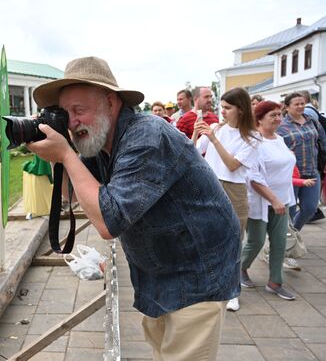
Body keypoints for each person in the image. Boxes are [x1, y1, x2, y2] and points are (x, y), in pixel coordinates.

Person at [28, 56, 240, 361]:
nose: (72, 122)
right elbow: (74, 195)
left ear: (111, 103)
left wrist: (65, 155)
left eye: (80, 110)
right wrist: (58, 159)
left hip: (197, 270)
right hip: (159, 266)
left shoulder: (147, 136)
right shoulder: (101, 141)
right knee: (162, 350)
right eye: (65, 113)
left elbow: (107, 222)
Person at [193, 87, 260, 311]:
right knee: (206, 238)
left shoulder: (252, 136)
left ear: (241, 110)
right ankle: (208, 285)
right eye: (221, 107)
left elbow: (232, 166)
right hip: (210, 185)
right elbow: (193, 151)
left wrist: (213, 140)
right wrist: (196, 133)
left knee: (233, 240)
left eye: (227, 108)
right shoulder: (215, 128)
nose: (222, 112)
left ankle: (232, 291)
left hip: (234, 190)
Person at [241, 101, 302, 301]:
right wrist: (273, 199)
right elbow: (253, 178)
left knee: (279, 242)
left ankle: (275, 282)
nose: (278, 118)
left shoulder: (280, 139)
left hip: (282, 199)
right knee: (256, 241)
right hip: (260, 201)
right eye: (272, 115)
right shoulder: (253, 142)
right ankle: (240, 268)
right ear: (259, 119)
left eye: (279, 114)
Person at [277, 92, 326, 232]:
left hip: (312, 172)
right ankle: (285, 241)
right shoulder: (280, 125)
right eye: (296, 104)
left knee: (310, 209)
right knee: (290, 211)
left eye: (302, 103)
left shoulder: (312, 121)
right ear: (286, 107)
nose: (300, 106)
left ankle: (293, 234)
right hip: (291, 175)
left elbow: (323, 140)